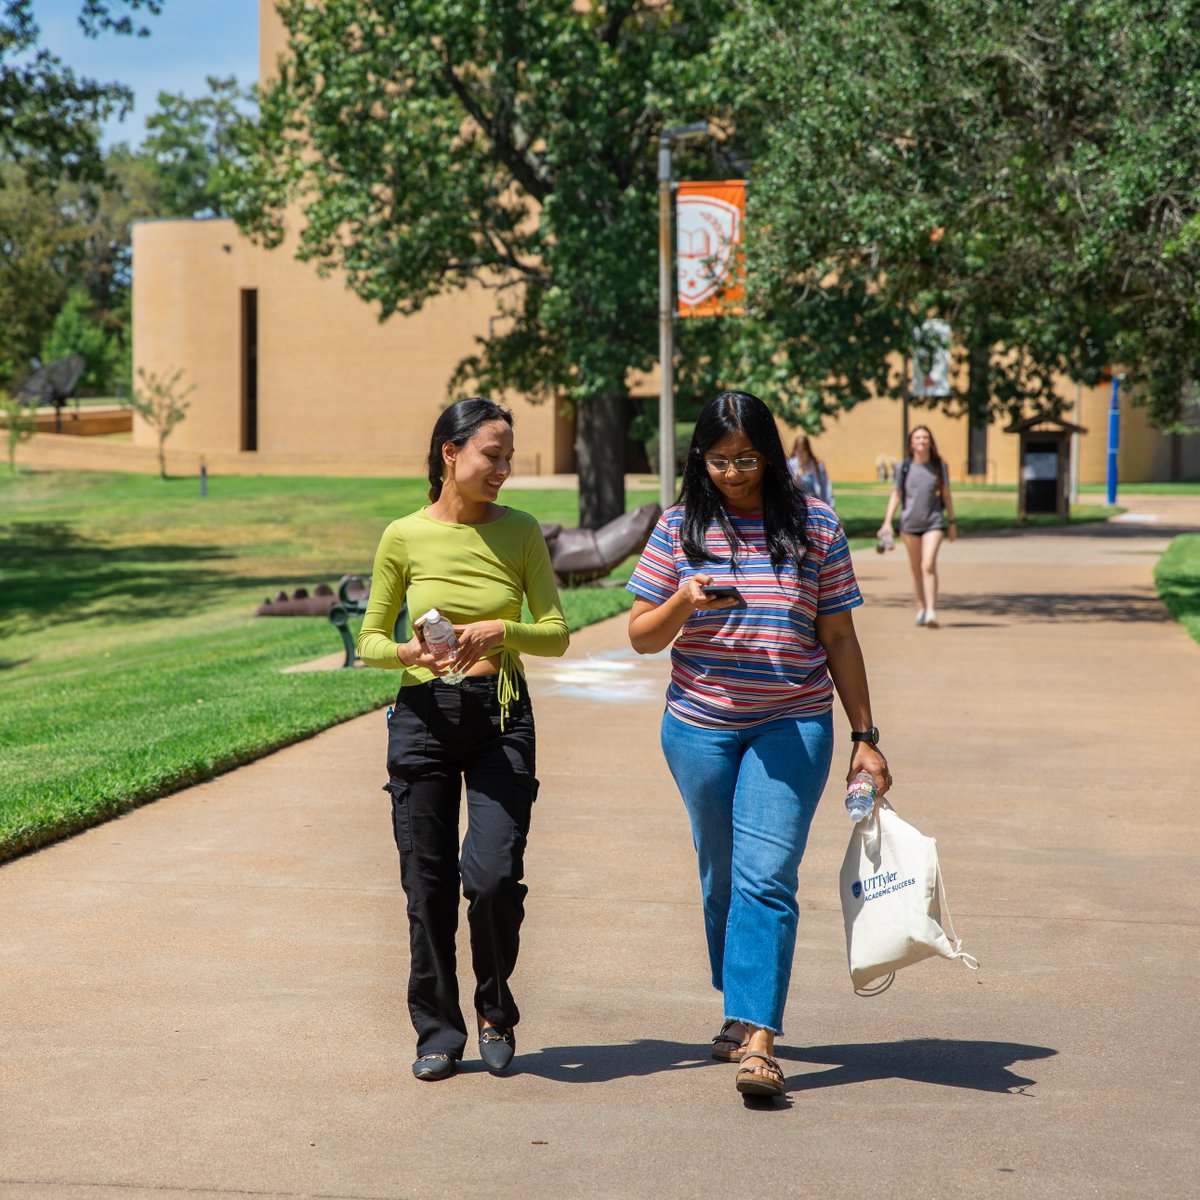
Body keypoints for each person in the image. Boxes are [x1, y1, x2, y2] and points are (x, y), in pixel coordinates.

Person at [625, 390, 891, 1099]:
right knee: (722, 876)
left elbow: (839, 635)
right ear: (700, 459)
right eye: (719, 460)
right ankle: (739, 1004)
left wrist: (865, 736)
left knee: (765, 876)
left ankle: (760, 1041)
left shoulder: (815, 525)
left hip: (792, 723)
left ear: (770, 455)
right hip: (699, 727)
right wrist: (684, 599)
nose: (734, 473)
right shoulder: (678, 525)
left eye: (747, 458)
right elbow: (642, 635)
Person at [356, 396, 570, 1082]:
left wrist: (500, 630)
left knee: (493, 877)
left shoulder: (521, 531)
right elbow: (368, 642)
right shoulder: (403, 536)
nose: (503, 469)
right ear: (450, 454)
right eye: (492, 456)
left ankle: (495, 1011)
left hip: (500, 714)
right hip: (423, 717)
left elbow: (556, 634)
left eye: (508, 457)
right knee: (427, 886)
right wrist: (408, 653)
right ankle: (438, 1030)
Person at [876, 424, 957, 627]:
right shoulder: (904, 466)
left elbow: (946, 494)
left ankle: (931, 611)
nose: (922, 441)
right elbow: (896, 495)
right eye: (918, 438)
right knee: (915, 568)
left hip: (933, 523)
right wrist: (887, 522)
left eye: (925, 437)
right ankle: (920, 608)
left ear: (931, 442)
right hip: (909, 524)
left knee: (928, 564)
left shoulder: (939, 466)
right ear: (911, 443)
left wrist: (951, 522)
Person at [786, 433, 835, 507]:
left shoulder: (817, 465)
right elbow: (787, 488)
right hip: (798, 506)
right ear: (795, 450)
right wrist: (795, 482)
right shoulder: (790, 465)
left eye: (803, 450)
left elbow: (826, 487)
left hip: (815, 506)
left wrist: (830, 505)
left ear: (808, 450)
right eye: (798, 450)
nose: (801, 453)